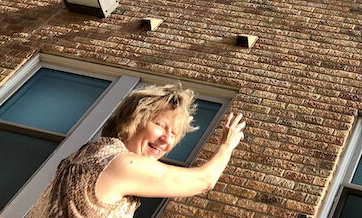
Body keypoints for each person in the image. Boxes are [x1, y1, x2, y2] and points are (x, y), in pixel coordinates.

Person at [28, 83, 246, 218]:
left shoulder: (86, 154)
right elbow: (204, 180)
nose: (166, 140)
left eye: (173, 134)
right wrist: (226, 146)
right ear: (133, 120)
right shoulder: (120, 163)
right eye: (160, 125)